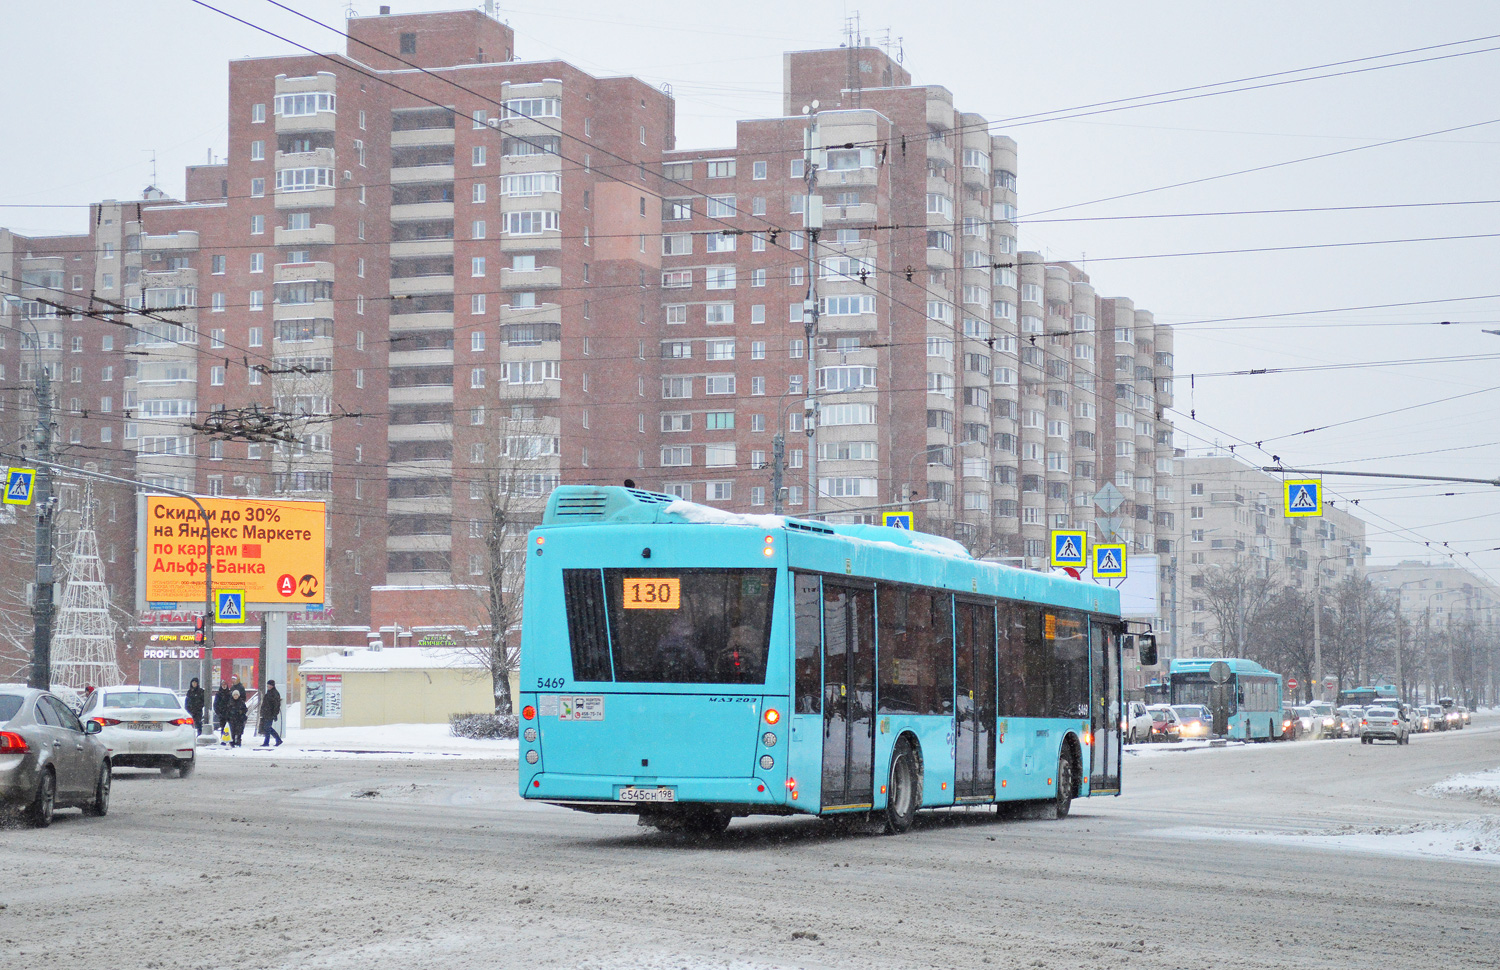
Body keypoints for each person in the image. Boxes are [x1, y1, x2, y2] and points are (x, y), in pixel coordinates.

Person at [257, 679, 283, 748]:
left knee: (267, 728)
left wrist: (275, 714)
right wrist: (262, 712)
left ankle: (267, 742)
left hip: (270, 713)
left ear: (273, 686)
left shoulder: (275, 693)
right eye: (268, 685)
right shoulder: (269, 693)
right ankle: (278, 740)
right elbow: (264, 704)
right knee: (267, 728)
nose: (268, 686)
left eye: (270, 685)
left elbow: (276, 705)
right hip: (266, 713)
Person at [227, 678, 249, 748]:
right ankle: (232, 741)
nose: (235, 696)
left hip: (239, 719)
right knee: (232, 731)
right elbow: (228, 710)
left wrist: (241, 712)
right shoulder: (230, 702)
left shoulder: (241, 702)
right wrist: (229, 715)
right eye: (234, 695)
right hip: (232, 719)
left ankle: (238, 741)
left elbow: (245, 709)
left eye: (236, 695)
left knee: (239, 731)